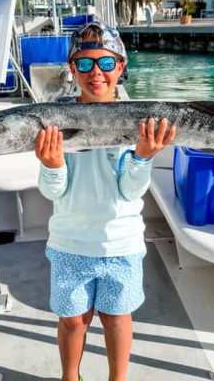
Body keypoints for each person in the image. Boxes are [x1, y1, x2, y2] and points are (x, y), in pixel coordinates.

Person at [35, 21, 176, 381]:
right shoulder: (54, 121)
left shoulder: (141, 120)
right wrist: (52, 165)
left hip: (121, 243)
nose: (95, 73)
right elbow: (53, 192)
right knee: (72, 321)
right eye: (84, 64)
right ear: (72, 69)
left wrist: (143, 157)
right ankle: (70, 377)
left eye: (105, 63)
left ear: (121, 67)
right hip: (70, 243)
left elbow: (130, 192)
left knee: (117, 318)